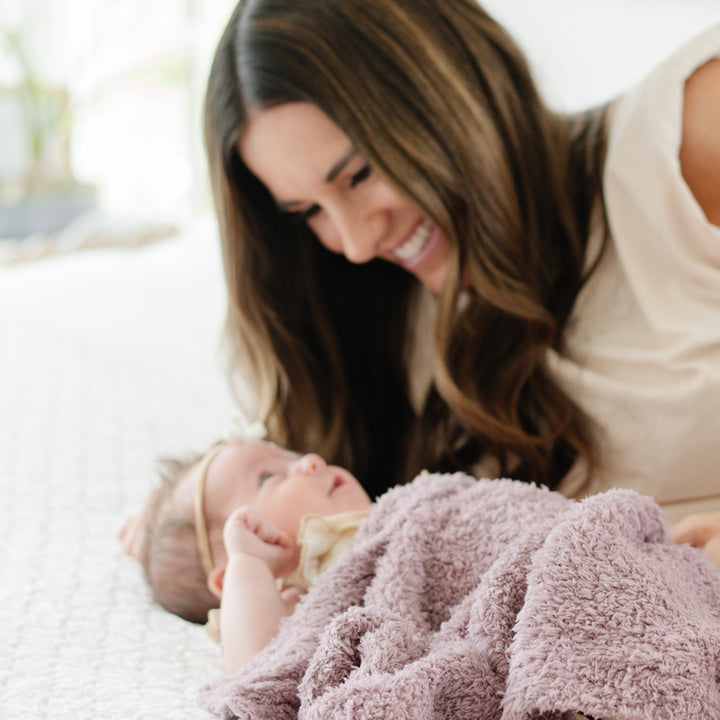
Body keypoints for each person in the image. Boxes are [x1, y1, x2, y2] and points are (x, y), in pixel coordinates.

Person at [203, 0, 720, 537]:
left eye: (359, 174)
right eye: (307, 211)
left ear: (452, 88)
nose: (356, 243)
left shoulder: (683, 142)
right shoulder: (376, 334)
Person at [118, 436, 372, 670]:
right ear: (234, 580)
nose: (312, 460)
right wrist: (251, 565)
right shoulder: (296, 601)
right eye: (267, 477)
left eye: (291, 455)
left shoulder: (389, 513)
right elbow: (259, 671)